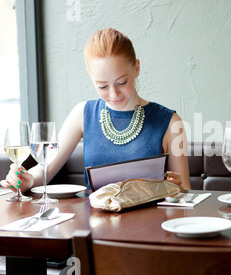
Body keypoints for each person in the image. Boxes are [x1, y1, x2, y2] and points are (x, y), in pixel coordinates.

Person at [1, 28, 190, 193]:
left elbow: (186, 192)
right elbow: (46, 169)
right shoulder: (82, 114)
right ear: (90, 77)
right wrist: (28, 180)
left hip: (147, 229)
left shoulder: (171, 122)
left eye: (122, 82)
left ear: (137, 68)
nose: (114, 94)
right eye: (102, 86)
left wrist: (177, 188)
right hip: (93, 227)